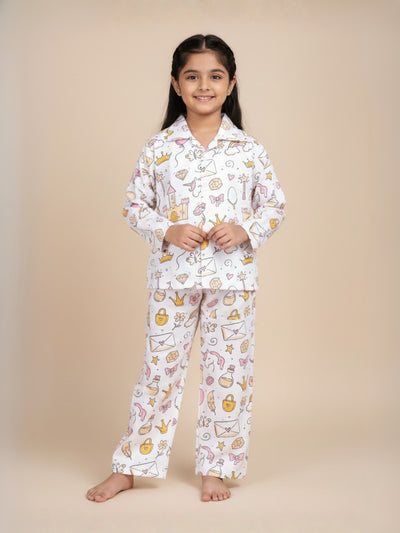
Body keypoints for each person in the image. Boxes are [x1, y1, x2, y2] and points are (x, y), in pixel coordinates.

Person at [86, 33, 285, 503]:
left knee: (228, 373)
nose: (204, 85)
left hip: (232, 280)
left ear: (230, 84)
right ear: (176, 84)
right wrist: (167, 229)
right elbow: (134, 205)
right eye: (192, 76)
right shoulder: (159, 147)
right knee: (159, 371)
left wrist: (244, 229)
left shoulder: (249, 149)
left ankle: (216, 469)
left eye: (215, 76)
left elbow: (274, 206)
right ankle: (130, 467)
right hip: (172, 278)